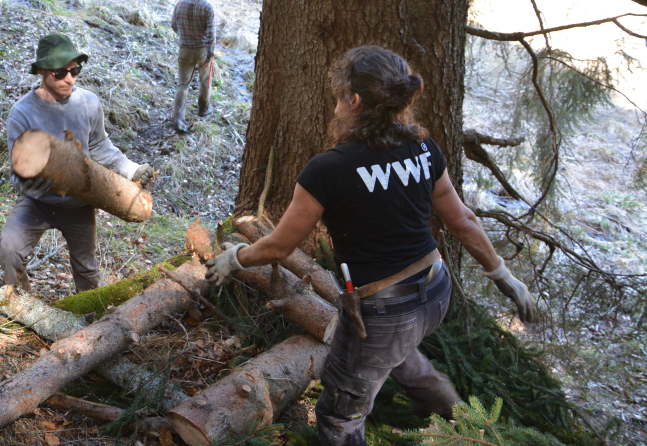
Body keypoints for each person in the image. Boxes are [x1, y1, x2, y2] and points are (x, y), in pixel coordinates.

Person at [203, 46, 538, 446]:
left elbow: (278, 246)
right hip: (436, 290)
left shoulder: (328, 169)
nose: (336, 104)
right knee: (392, 347)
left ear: (355, 100)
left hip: (385, 308)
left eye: (339, 95)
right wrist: (503, 275)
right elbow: (463, 221)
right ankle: (453, 414)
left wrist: (234, 258)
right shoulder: (423, 148)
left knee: (338, 416)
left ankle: (458, 425)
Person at [0, 34, 154, 293]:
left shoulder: (88, 103)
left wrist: (131, 169)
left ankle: (90, 314)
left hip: (79, 203)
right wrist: (36, 180)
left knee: (87, 270)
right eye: (60, 73)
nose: (69, 79)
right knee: (10, 250)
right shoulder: (22, 113)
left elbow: (100, 146)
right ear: (41, 71)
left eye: (74, 71)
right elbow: (17, 174)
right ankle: (21, 305)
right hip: (37, 202)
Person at [169, 0, 217, 133]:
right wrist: (210, 55)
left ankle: (178, 119)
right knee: (205, 80)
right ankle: (203, 109)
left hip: (185, 49)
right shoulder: (208, 7)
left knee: (182, 84)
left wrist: (185, 35)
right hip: (202, 50)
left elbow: (174, 25)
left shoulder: (180, 4)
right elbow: (211, 35)